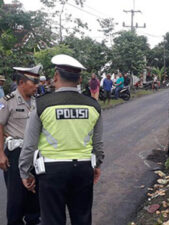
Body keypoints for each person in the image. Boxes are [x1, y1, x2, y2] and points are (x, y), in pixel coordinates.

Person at [19, 54, 104, 225]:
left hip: (51, 171)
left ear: (56, 76)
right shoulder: (93, 105)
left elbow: (29, 144)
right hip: (83, 168)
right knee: (82, 218)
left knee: (52, 220)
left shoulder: (42, 104)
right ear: (79, 79)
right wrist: (97, 164)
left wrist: (25, 172)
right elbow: (98, 144)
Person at [0, 65, 42, 225]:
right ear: (22, 82)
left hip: (35, 153)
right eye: (34, 82)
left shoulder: (36, 102)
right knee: (16, 197)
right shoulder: (6, 101)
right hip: (16, 152)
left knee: (34, 193)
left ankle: (33, 219)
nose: (37, 85)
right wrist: (1, 154)